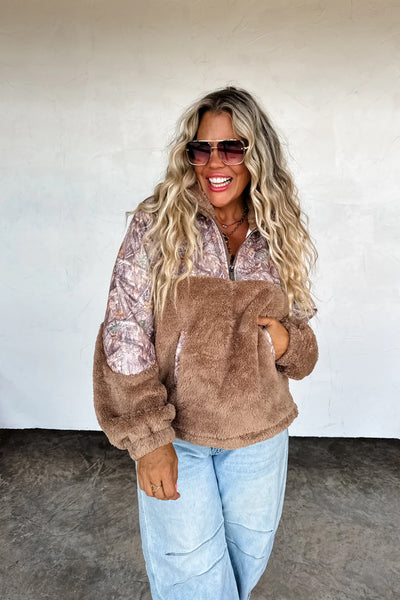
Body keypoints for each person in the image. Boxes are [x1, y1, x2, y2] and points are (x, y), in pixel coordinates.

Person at [93, 85, 319, 600]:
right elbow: (125, 331)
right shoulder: (159, 222)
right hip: (177, 435)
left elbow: (302, 335)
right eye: (202, 148)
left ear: (256, 154)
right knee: (190, 575)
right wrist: (149, 440)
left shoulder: (277, 228)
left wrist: (286, 341)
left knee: (243, 564)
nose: (215, 162)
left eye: (232, 147)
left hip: (259, 436)